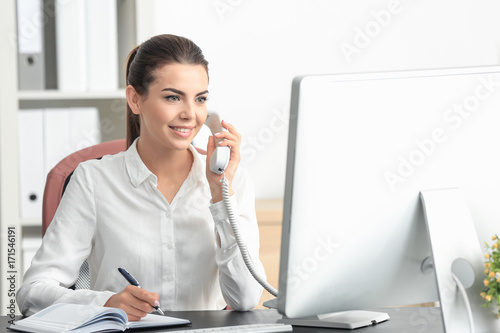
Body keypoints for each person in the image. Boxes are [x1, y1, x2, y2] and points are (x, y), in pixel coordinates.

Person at [17, 34, 265, 321]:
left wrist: (220, 195)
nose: (190, 114)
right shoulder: (93, 180)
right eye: (173, 97)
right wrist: (104, 302)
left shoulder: (233, 183)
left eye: (200, 99)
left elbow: (245, 298)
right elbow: (32, 293)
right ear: (136, 99)